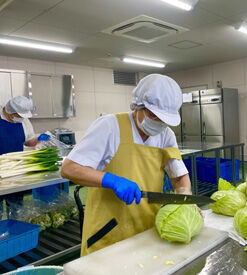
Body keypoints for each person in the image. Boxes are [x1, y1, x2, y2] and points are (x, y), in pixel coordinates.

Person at [61, 74, 192, 256]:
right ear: (138, 106)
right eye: (154, 116)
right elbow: (69, 168)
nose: (159, 123)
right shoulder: (109, 126)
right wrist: (112, 180)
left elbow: (179, 176)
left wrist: (185, 199)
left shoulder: (166, 135)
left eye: (164, 119)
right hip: (108, 232)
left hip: (147, 228)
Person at [0, 96, 50, 218]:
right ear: (10, 112)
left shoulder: (23, 121)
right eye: (19, 115)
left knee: (16, 208)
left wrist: (38, 139)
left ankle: (16, 232)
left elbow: (28, 141)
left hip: (15, 170)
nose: (21, 118)